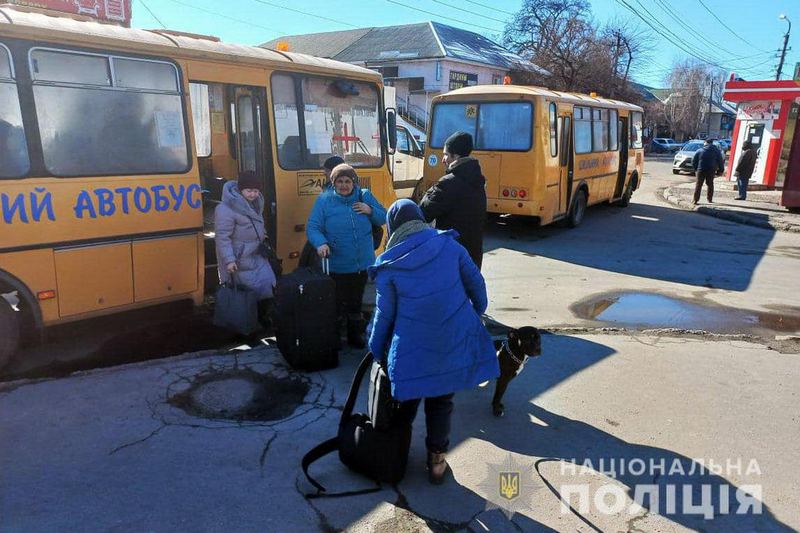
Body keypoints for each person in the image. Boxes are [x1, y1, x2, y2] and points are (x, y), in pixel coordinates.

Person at [368, 199, 499, 484]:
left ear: (392, 229)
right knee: (441, 402)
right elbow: (477, 286)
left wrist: (376, 349)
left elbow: (384, 315)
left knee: (406, 405)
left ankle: (396, 458)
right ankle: (437, 463)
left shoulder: (390, 265)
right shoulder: (450, 246)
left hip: (410, 350)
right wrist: (472, 313)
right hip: (450, 341)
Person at [307, 164, 387, 348]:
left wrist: (370, 210)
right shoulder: (325, 200)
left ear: (354, 182)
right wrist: (321, 243)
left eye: (347, 181)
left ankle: (354, 336)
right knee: (335, 304)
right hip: (336, 264)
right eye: (339, 181)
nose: (344, 185)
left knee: (355, 302)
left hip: (361, 264)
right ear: (333, 182)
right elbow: (313, 226)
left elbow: (384, 217)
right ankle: (333, 338)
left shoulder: (364, 195)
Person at [214, 171, 277, 326]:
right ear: (240, 189)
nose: (253, 194)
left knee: (268, 285)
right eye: (249, 190)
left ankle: (261, 320)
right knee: (248, 294)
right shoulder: (225, 209)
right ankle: (247, 324)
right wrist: (229, 260)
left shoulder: (255, 203)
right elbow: (222, 237)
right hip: (238, 259)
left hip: (256, 254)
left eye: (256, 191)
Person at [419, 131, 487, 269]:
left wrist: (431, 191)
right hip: (472, 257)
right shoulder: (478, 180)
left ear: (455, 156)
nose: (443, 159)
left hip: (451, 257)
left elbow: (424, 212)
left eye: (445, 154)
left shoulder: (449, 183)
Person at [298, 155, 346, 269]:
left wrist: (370, 211)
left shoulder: (330, 195)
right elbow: (314, 225)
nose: (324, 174)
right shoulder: (328, 192)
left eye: (327, 171)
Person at [691, 138, 725, 205]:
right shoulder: (717, 151)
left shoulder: (700, 150)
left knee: (698, 185)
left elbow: (693, 161)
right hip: (711, 170)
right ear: (712, 143)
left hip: (701, 169)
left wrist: (696, 169)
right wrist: (720, 170)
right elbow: (720, 161)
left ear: (706, 143)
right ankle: (709, 199)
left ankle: (695, 200)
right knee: (710, 184)